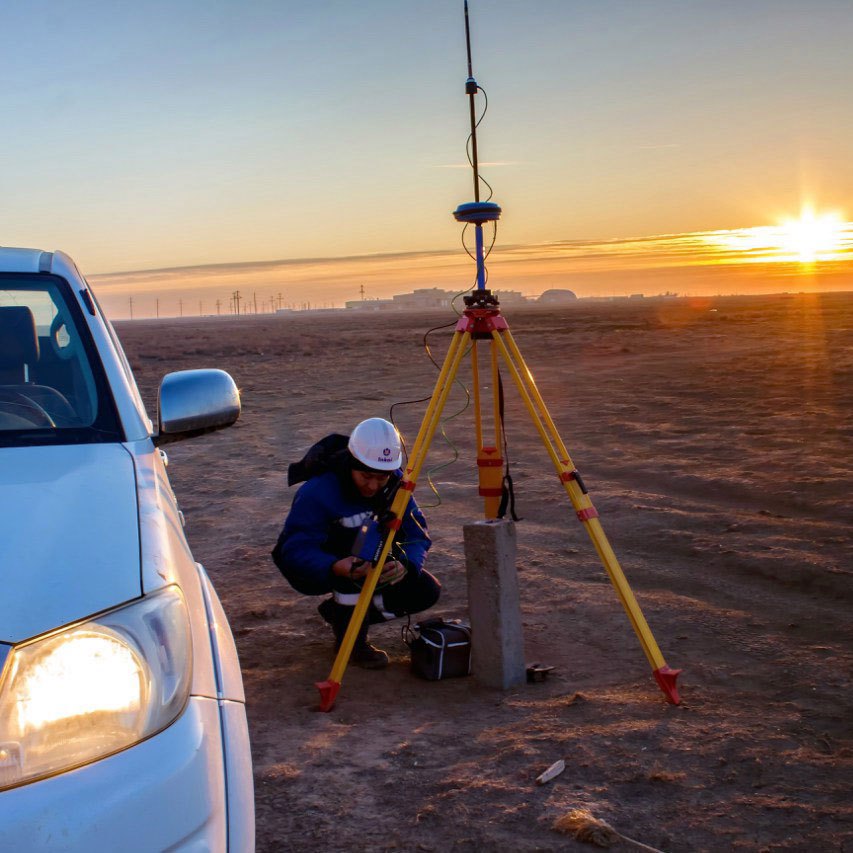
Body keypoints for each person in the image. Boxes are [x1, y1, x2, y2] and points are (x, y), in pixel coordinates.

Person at [272, 418, 441, 669]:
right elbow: (295, 550)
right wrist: (335, 565)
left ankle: (340, 614)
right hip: (324, 565)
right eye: (366, 476)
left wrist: (406, 563)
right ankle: (352, 642)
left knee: (425, 589)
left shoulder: (396, 484)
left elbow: (417, 533)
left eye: (381, 478)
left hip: (371, 557)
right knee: (350, 579)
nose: (373, 485)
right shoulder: (318, 491)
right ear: (352, 462)